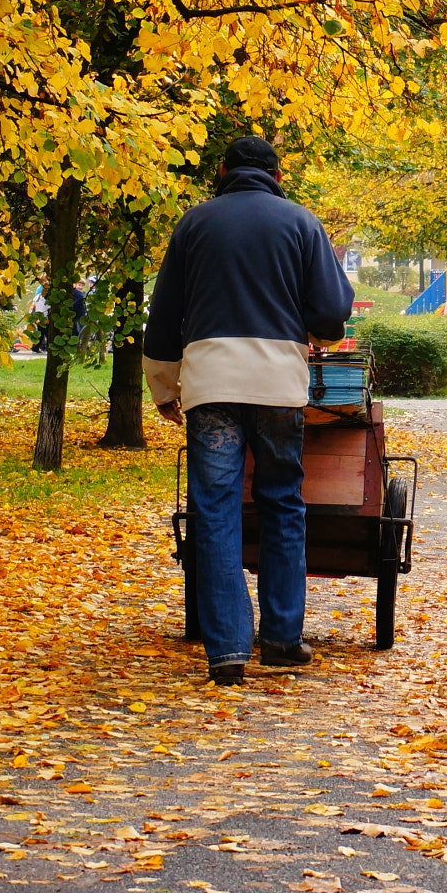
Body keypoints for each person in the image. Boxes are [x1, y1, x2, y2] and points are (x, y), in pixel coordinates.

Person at [142, 136, 355, 686]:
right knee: (282, 502)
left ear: (222, 171)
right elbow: (332, 311)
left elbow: (163, 317)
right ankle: (283, 640)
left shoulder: (194, 224)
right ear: (278, 175)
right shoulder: (301, 223)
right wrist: (312, 330)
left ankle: (228, 650)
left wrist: (165, 387)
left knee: (214, 510)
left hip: (211, 385)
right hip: (277, 384)